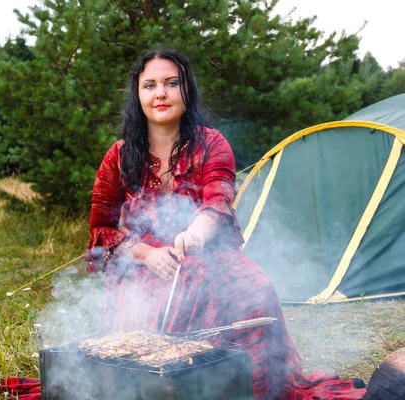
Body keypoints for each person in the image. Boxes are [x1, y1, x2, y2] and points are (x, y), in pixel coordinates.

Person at [84, 49, 367, 400]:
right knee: (153, 312)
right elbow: (102, 228)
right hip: (144, 264)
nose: (161, 93)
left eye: (172, 83)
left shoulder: (212, 143)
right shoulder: (119, 156)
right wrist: (145, 254)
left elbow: (217, 202)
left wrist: (195, 234)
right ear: (137, 95)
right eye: (150, 85)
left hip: (205, 248)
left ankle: (251, 389)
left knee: (254, 289)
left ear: (187, 91)